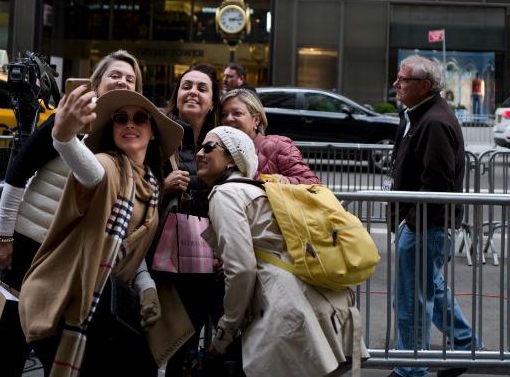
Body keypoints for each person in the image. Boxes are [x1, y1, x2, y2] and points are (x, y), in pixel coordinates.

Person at [0, 50, 142, 377]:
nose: (123, 82)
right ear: (97, 83)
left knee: (56, 347)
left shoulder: (126, 134)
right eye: (115, 75)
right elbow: (18, 173)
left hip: (70, 257)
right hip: (28, 245)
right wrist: (3, 237)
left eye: (130, 79)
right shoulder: (66, 117)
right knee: (9, 345)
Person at [18, 88, 183, 376]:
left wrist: (146, 286)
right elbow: (92, 172)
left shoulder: (151, 184)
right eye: (120, 118)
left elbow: (127, 244)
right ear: (112, 129)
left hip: (99, 306)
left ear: (153, 133)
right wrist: (64, 138)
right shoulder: (109, 166)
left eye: (139, 118)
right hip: (65, 301)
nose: (129, 124)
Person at [198, 126, 368, 376]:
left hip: (286, 310)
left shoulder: (225, 193)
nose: (199, 153)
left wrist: (225, 332)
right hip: (323, 304)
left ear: (233, 159)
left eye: (209, 147)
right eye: (200, 147)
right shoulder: (259, 189)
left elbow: (241, 269)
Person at [387, 55, 477, 377]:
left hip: (427, 227)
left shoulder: (434, 122)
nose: (396, 84)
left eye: (403, 79)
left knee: (412, 301)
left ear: (424, 86)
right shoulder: (416, 114)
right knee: (431, 291)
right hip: (423, 226)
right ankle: (466, 346)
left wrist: (411, 224)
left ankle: (410, 370)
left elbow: (436, 185)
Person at [156, 63, 223, 373]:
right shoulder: (158, 136)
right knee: (149, 345)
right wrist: (163, 188)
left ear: (212, 102)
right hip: (160, 263)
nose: (193, 92)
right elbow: (131, 188)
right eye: (186, 86)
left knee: (185, 350)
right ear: (177, 95)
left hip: (202, 265)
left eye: (202, 88)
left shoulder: (222, 143)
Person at [219, 87, 321, 185]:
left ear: (256, 119)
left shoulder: (278, 146)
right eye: (223, 114)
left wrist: (287, 181)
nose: (228, 119)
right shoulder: (217, 150)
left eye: (237, 113)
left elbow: (313, 184)